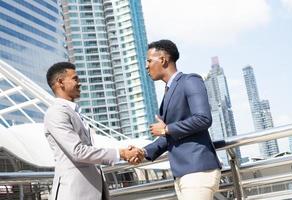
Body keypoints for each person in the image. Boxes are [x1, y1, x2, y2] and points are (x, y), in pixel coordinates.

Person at [44, 62, 143, 200]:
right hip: (74, 193)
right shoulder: (56, 112)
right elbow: (78, 152)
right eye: (75, 79)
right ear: (60, 82)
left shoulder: (73, 112)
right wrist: (121, 153)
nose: (79, 83)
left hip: (92, 192)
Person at [142, 39, 222, 200]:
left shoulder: (190, 81)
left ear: (163, 60)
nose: (146, 66)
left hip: (197, 171)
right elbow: (172, 135)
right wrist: (144, 152)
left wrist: (166, 129)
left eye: (149, 61)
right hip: (183, 174)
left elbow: (203, 118)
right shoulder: (169, 91)